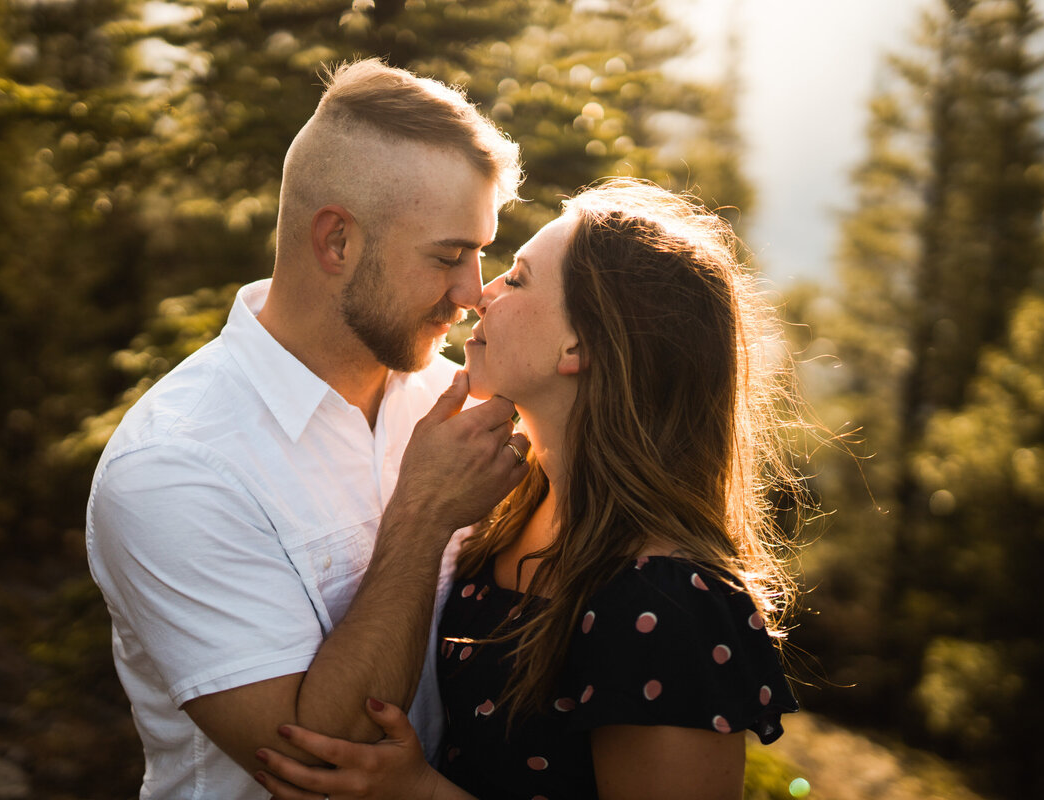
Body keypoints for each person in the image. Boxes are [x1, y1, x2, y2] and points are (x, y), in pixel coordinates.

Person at [253, 178, 805, 800]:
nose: (480, 295)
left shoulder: (668, 603)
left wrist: (417, 793)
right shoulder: (508, 511)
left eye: (515, 279)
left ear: (580, 345)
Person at [85, 59, 529, 799]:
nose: (471, 292)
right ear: (336, 243)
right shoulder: (174, 466)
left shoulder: (445, 401)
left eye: (481, 253)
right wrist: (420, 520)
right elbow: (320, 766)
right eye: (449, 256)